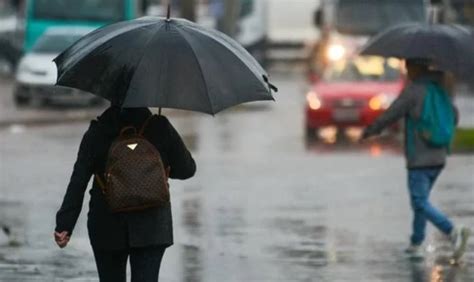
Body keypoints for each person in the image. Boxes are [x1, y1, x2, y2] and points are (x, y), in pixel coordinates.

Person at [54, 106, 196, 281]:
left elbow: (78, 181)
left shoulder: (98, 132)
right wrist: (158, 169)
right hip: (152, 227)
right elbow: (187, 169)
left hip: (107, 225)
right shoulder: (160, 127)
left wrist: (65, 225)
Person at [361, 59, 470, 258]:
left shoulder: (414, 91)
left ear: (415, 68)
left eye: (408, 67)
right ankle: (416, 241)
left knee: (419, 201)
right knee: (422, 200)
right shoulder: (441, 89)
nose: (406, 71)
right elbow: (454, 116)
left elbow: (392, 113)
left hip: (419, 156)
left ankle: (452, 231)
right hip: (439, 155)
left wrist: (372, 129)